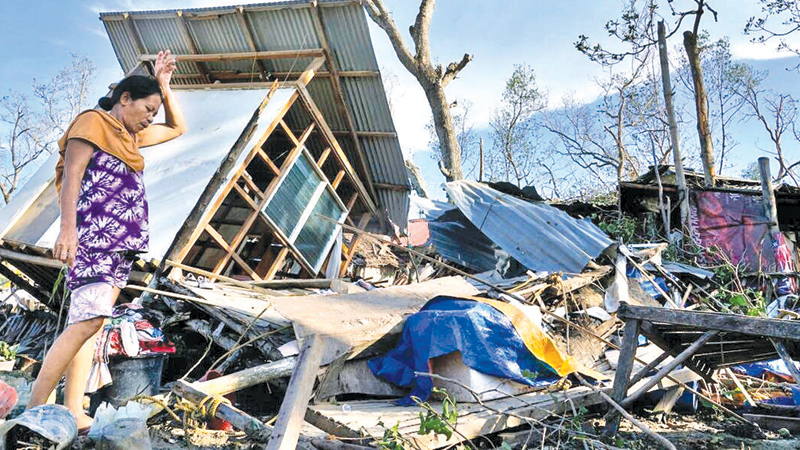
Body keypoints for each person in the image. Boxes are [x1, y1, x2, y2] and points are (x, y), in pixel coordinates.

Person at [27, 50, 187, 431]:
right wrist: (68, 229)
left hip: (121, 241)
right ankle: (35, 410)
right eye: (147, 108)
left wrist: (164, 87)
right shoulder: (93, 123)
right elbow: (73, 176)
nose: (151, 117)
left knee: (89, 323)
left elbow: (178, 127)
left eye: (154, 111)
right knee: (89, 319)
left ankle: (73, 409)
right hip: (95, 234)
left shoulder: (128, 138)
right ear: (124, 99)